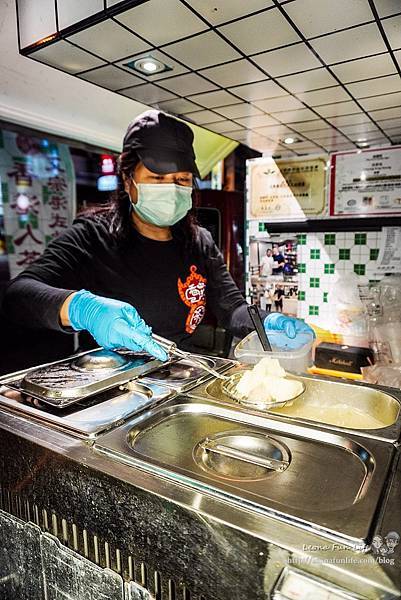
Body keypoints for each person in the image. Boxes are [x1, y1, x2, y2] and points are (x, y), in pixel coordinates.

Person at [0, 110, 313, 360]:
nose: (171, 188)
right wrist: (83, 308)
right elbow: (18, 295)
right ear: (127, 180)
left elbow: (231, 309)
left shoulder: (199, 242)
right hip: (111, 383)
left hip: (179, 378)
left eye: (181, 179)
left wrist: (265, 322)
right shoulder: (92, 236)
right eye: (157, 177)